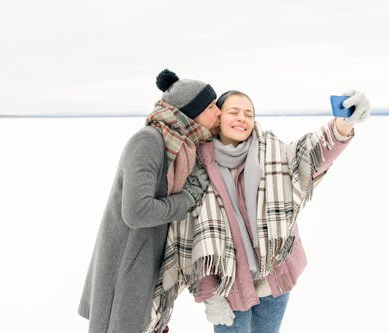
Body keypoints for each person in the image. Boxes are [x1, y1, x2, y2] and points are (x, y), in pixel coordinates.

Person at [149, 89, 370, 333]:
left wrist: (342, 125)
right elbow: (193, 236)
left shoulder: (272, 153)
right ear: (219, 117)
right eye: (234, 112)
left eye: (249, 113)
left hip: (275, 277)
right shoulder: (197, 167)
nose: (242, 118)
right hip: (228, 286)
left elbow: (311, 153)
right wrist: (211, 295)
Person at [77, 69, 222, 333]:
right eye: (212, 106)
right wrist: (187, 198)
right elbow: (136, 211)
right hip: (127, 264)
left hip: (151, 261)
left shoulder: (186, 146)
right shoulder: (148, 141)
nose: (219, 112)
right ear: (191, 111)